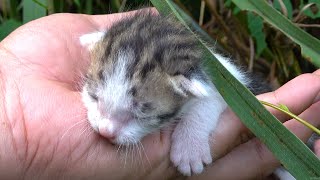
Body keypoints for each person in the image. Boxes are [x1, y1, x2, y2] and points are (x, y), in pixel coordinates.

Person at [0, 10, 319, 180]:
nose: (105, 128)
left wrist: (194, 132)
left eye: (137, 113)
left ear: (184, 87)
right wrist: (17, 130)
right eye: (95, 96)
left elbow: (220, 91)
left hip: (282, 147)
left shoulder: (197, 78)